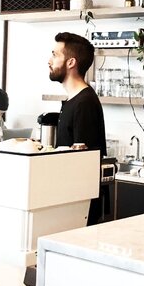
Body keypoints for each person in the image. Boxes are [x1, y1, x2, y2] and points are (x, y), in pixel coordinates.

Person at [49, 32, 107, 225]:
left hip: (80, 207)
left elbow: (84, 162)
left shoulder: (85, 102)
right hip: (70, 200)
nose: (49, 60)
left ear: (71, 62)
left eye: (55, 55)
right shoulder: (73, 100)